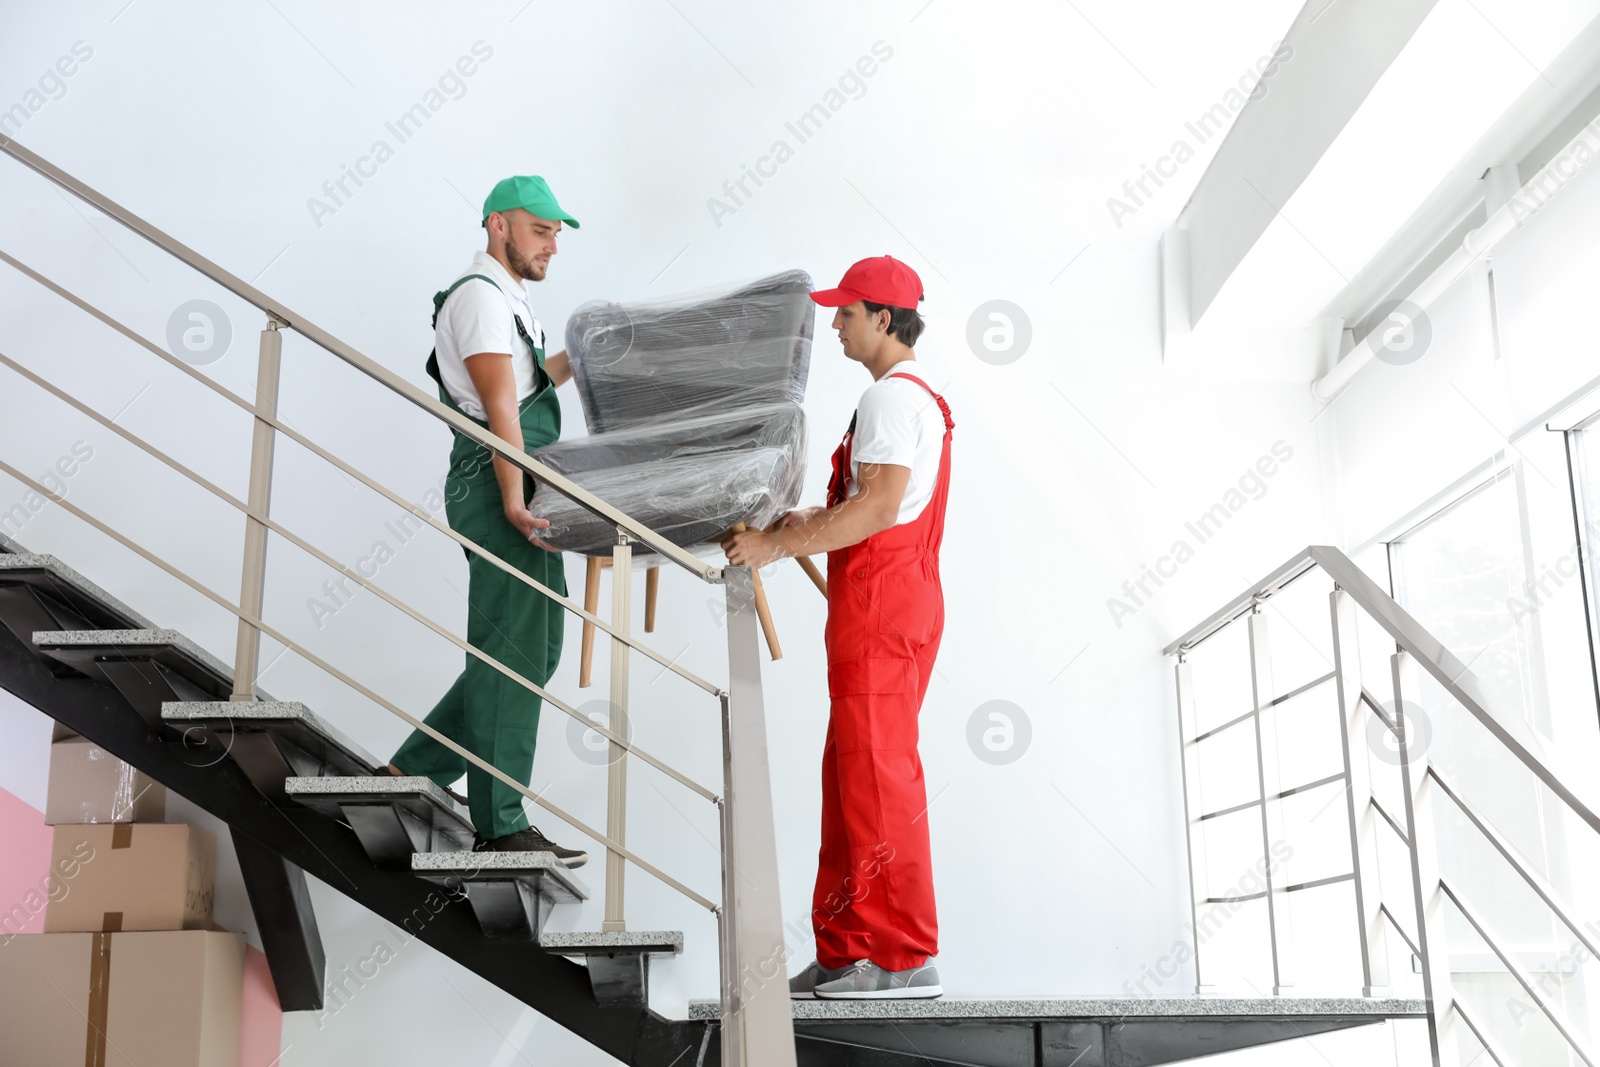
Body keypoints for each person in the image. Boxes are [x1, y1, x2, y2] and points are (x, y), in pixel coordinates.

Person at [722, 255, 953, 999]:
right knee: (850, 780)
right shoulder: (910, 399)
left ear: (884, 319)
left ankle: (904, 957)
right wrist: (806, 524)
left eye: (847, 311)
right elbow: (872, 506)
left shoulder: (890, 399)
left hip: (883, 612)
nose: (835, 323)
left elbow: (880, 508)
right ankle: (848, 947)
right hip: (891, 604)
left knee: (878, 781)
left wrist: (777, 543)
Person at [385, 175, 586, 865]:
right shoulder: (478, 299)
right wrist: (512, 497)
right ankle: (500, 821)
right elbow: (502, 411)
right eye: (540, 230)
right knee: (512, 652)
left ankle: (409, 773)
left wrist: (587, 353)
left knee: (534, 649)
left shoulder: (508, 299)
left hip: (519, 475)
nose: (552, 245)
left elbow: (527, 385)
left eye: (558, 233)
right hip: (499, 477)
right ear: (498, 225)